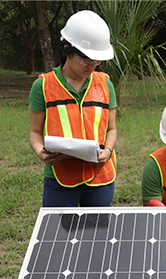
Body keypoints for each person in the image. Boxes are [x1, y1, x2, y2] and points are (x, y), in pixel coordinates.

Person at [29, 10, 117, 207]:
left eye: (97, 59)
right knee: (59, 236)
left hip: (100, 178)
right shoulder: (42, 86)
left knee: (96, 236)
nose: (92, 64)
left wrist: (108, 150)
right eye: (85, 58)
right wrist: (40, 151)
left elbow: (112, 129)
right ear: (67, 49)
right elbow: (35, 132)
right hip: (60, 177)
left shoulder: (105, 85)